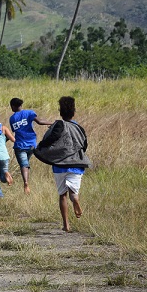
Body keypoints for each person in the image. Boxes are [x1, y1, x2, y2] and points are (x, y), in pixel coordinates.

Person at [34, 96, 91, 233]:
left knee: (62, 195)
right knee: (73, 192)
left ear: (60, 112)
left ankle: (66, 225)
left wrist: (40, 146)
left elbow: (52, 138)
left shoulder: (59, 124)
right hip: (77, 164)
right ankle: (75, 199)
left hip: (60, 164)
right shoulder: (79, 127)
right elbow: (84, 145)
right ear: (74, 112)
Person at [9, 97, 53, 194]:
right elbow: (40, 122)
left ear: (13, 106)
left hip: (20, 145)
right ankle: (25, 178)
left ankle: (26, 183)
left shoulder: (12, 118)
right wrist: (53, 123)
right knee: (26, 163)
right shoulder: (29, 113)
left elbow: (14, 130)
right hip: (31, 144)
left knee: (24, 164)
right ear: (21, 105)